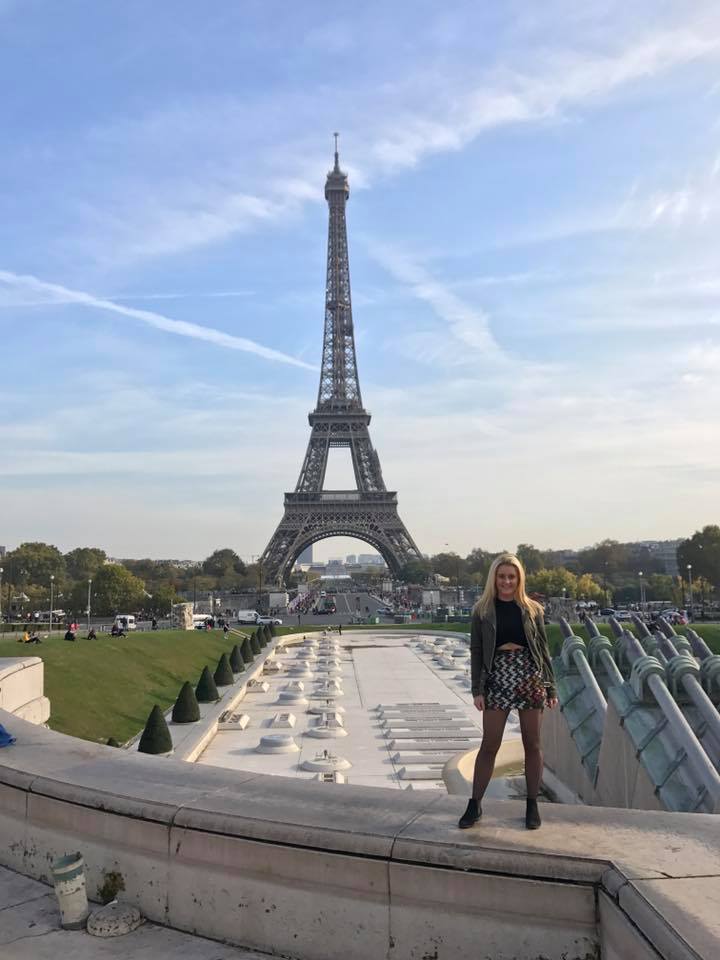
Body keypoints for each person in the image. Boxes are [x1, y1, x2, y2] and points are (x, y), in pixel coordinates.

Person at [459, 553, 558, 832]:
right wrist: (477, 690)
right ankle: (475, 804)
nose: (506, 581)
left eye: (511, 577)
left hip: (529, 674)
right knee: (490, 744)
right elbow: (476, 651)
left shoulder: (533, 609)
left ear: (519, 579)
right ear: (494, 578)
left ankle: (532, 804)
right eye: (501, 576)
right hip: (497, 675)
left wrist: (550, 686)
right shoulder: (482, 610)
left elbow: (543, 650)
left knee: (532, 743)